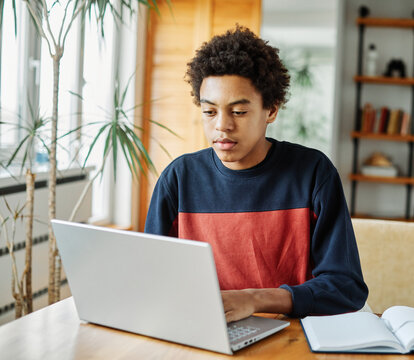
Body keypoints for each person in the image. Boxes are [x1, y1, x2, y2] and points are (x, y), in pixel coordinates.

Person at [145, 26, 368, 322]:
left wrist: (254, 299)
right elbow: (151, 279)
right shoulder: (178, 179)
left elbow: (347, 287)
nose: (222, 126)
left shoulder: (313, 173)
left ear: (271, 110)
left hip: (291, 337)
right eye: (209, 112)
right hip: (204, 332)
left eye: (238, 112)